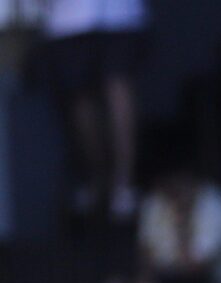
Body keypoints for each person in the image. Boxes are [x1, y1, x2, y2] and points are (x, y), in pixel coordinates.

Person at [43, 0, 145, 220]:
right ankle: (97, 178)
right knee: (82, 99)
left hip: (120, 14)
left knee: (119, 91)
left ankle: (123, 184)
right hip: (68, 19)